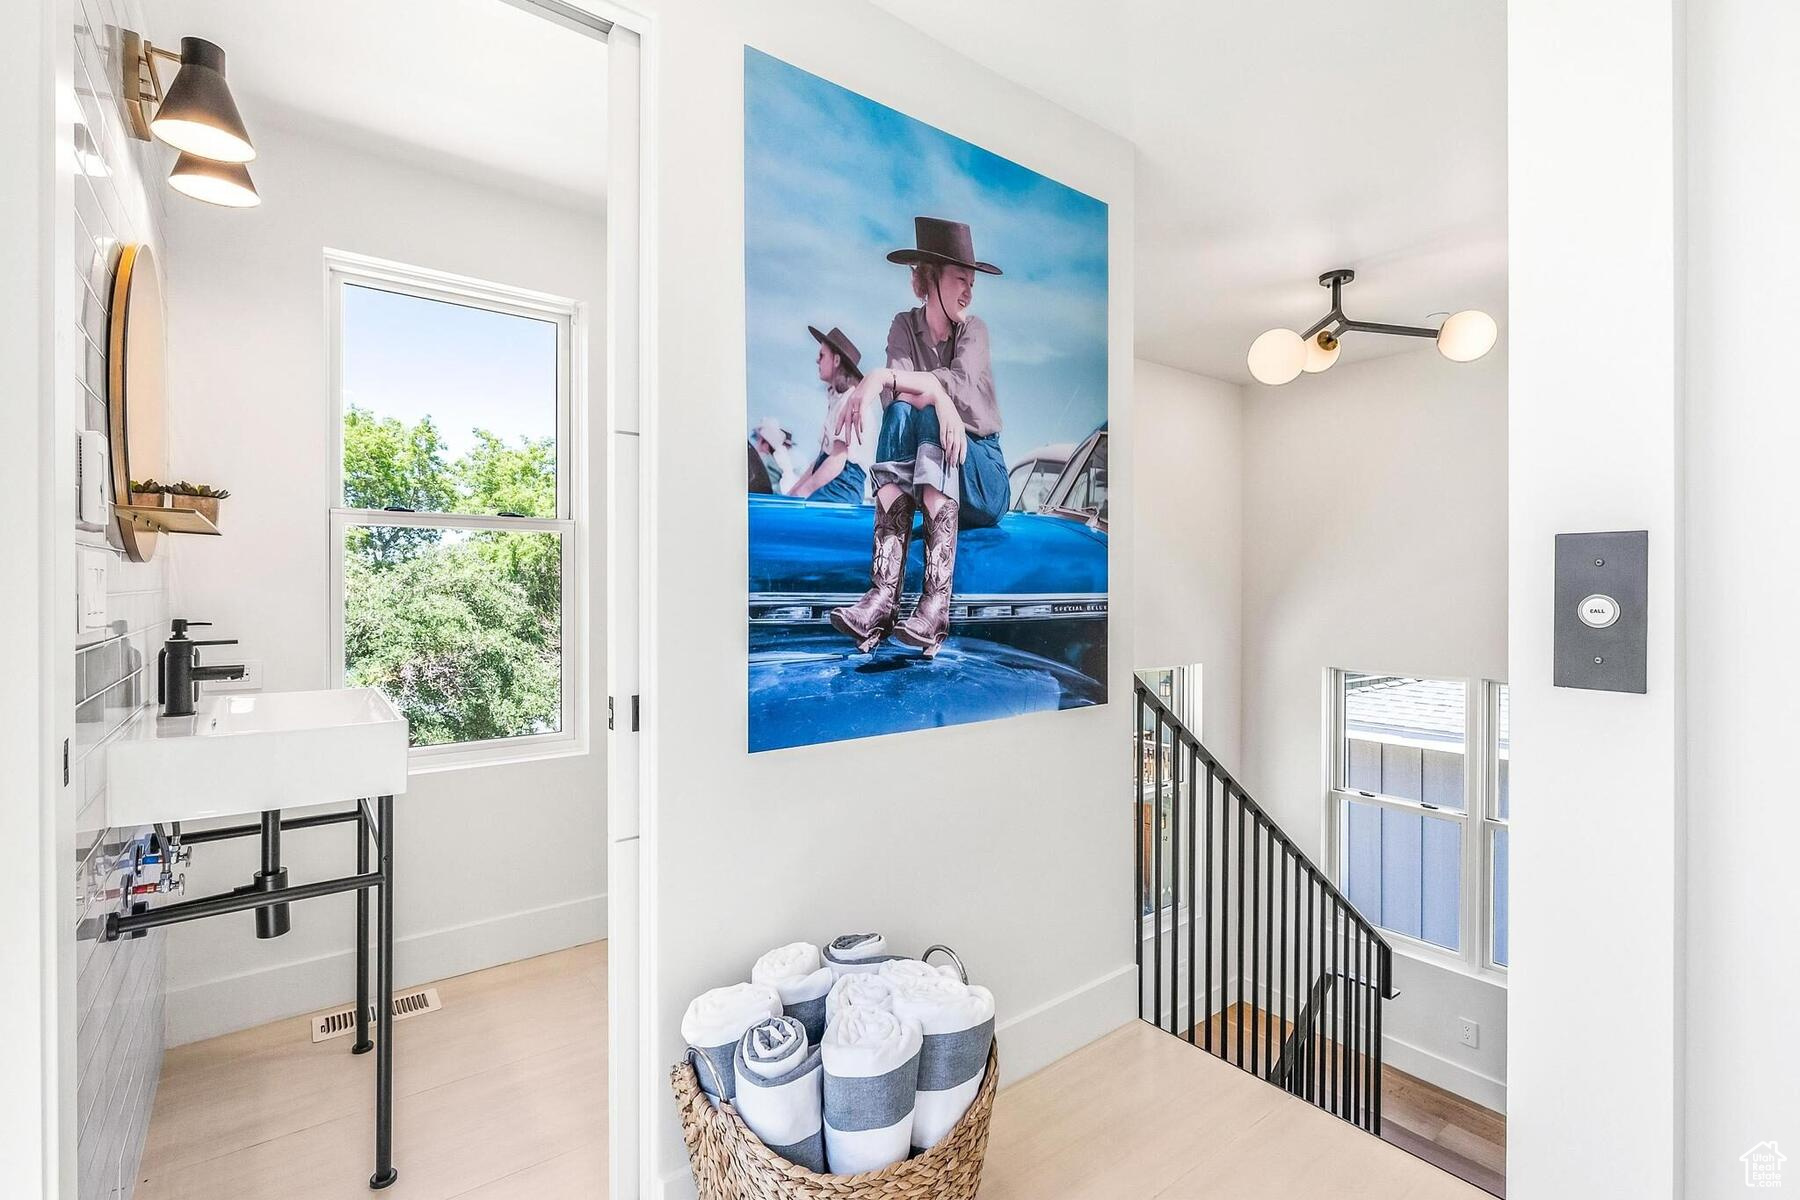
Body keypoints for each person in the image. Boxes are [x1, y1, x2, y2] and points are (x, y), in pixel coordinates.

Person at [828, 217, 1008, 657]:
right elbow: (898, 402)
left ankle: (935, 605)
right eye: (960, 279)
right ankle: (882, 598)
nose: (969, 290)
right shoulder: (903, 326)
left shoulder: (975, 330)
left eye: (972, 282)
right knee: (907, 410)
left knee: (922, 406)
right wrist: (926, 394)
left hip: (981, 475)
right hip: (925, 475)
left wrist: (910, 385)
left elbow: (958, 387)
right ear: (928, 280)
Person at [782, 325, 876, 503]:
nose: (817, 360)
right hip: (830, 476)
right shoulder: (838, 401)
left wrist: (802, 494)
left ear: (836, 360)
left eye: (822, 355)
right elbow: (821, 460)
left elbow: (837, 460)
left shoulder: (850, 400)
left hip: (843, 485)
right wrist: (791, 494)